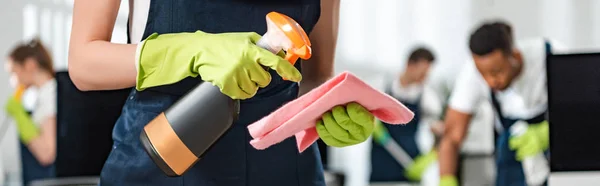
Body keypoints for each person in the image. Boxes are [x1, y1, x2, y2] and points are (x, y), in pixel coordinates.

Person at [68, 0, 375, 185]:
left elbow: (316, 74)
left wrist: (330, 108)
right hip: (165, 159)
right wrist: (192, 51)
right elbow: (83, 63)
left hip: (284, 167)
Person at [438, 21, 555, 186]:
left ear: (514, 55)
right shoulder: (471, 73)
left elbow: (585, 115)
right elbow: (451, 137)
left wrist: (549, 134)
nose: (491, 81)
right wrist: (446, 180)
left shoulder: (550, 55)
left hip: (557, 158)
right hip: (511, 162)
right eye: (483, 74)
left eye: (497, 72)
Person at [370, 47, 439, 183]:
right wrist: (370, 123)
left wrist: (430, 157)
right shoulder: (380, 87)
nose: (425, 78)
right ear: (409, 64)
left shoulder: (427, 97)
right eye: (422, 73)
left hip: (411, 169)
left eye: (427, 74)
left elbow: (439, 132)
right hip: (380, 170)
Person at [4, 38, 57, 185]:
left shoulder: (51, 94)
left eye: (14, 72)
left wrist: (20, 115)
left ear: (29, 65)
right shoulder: (42, 96)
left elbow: (47, 153)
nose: (13, 81)